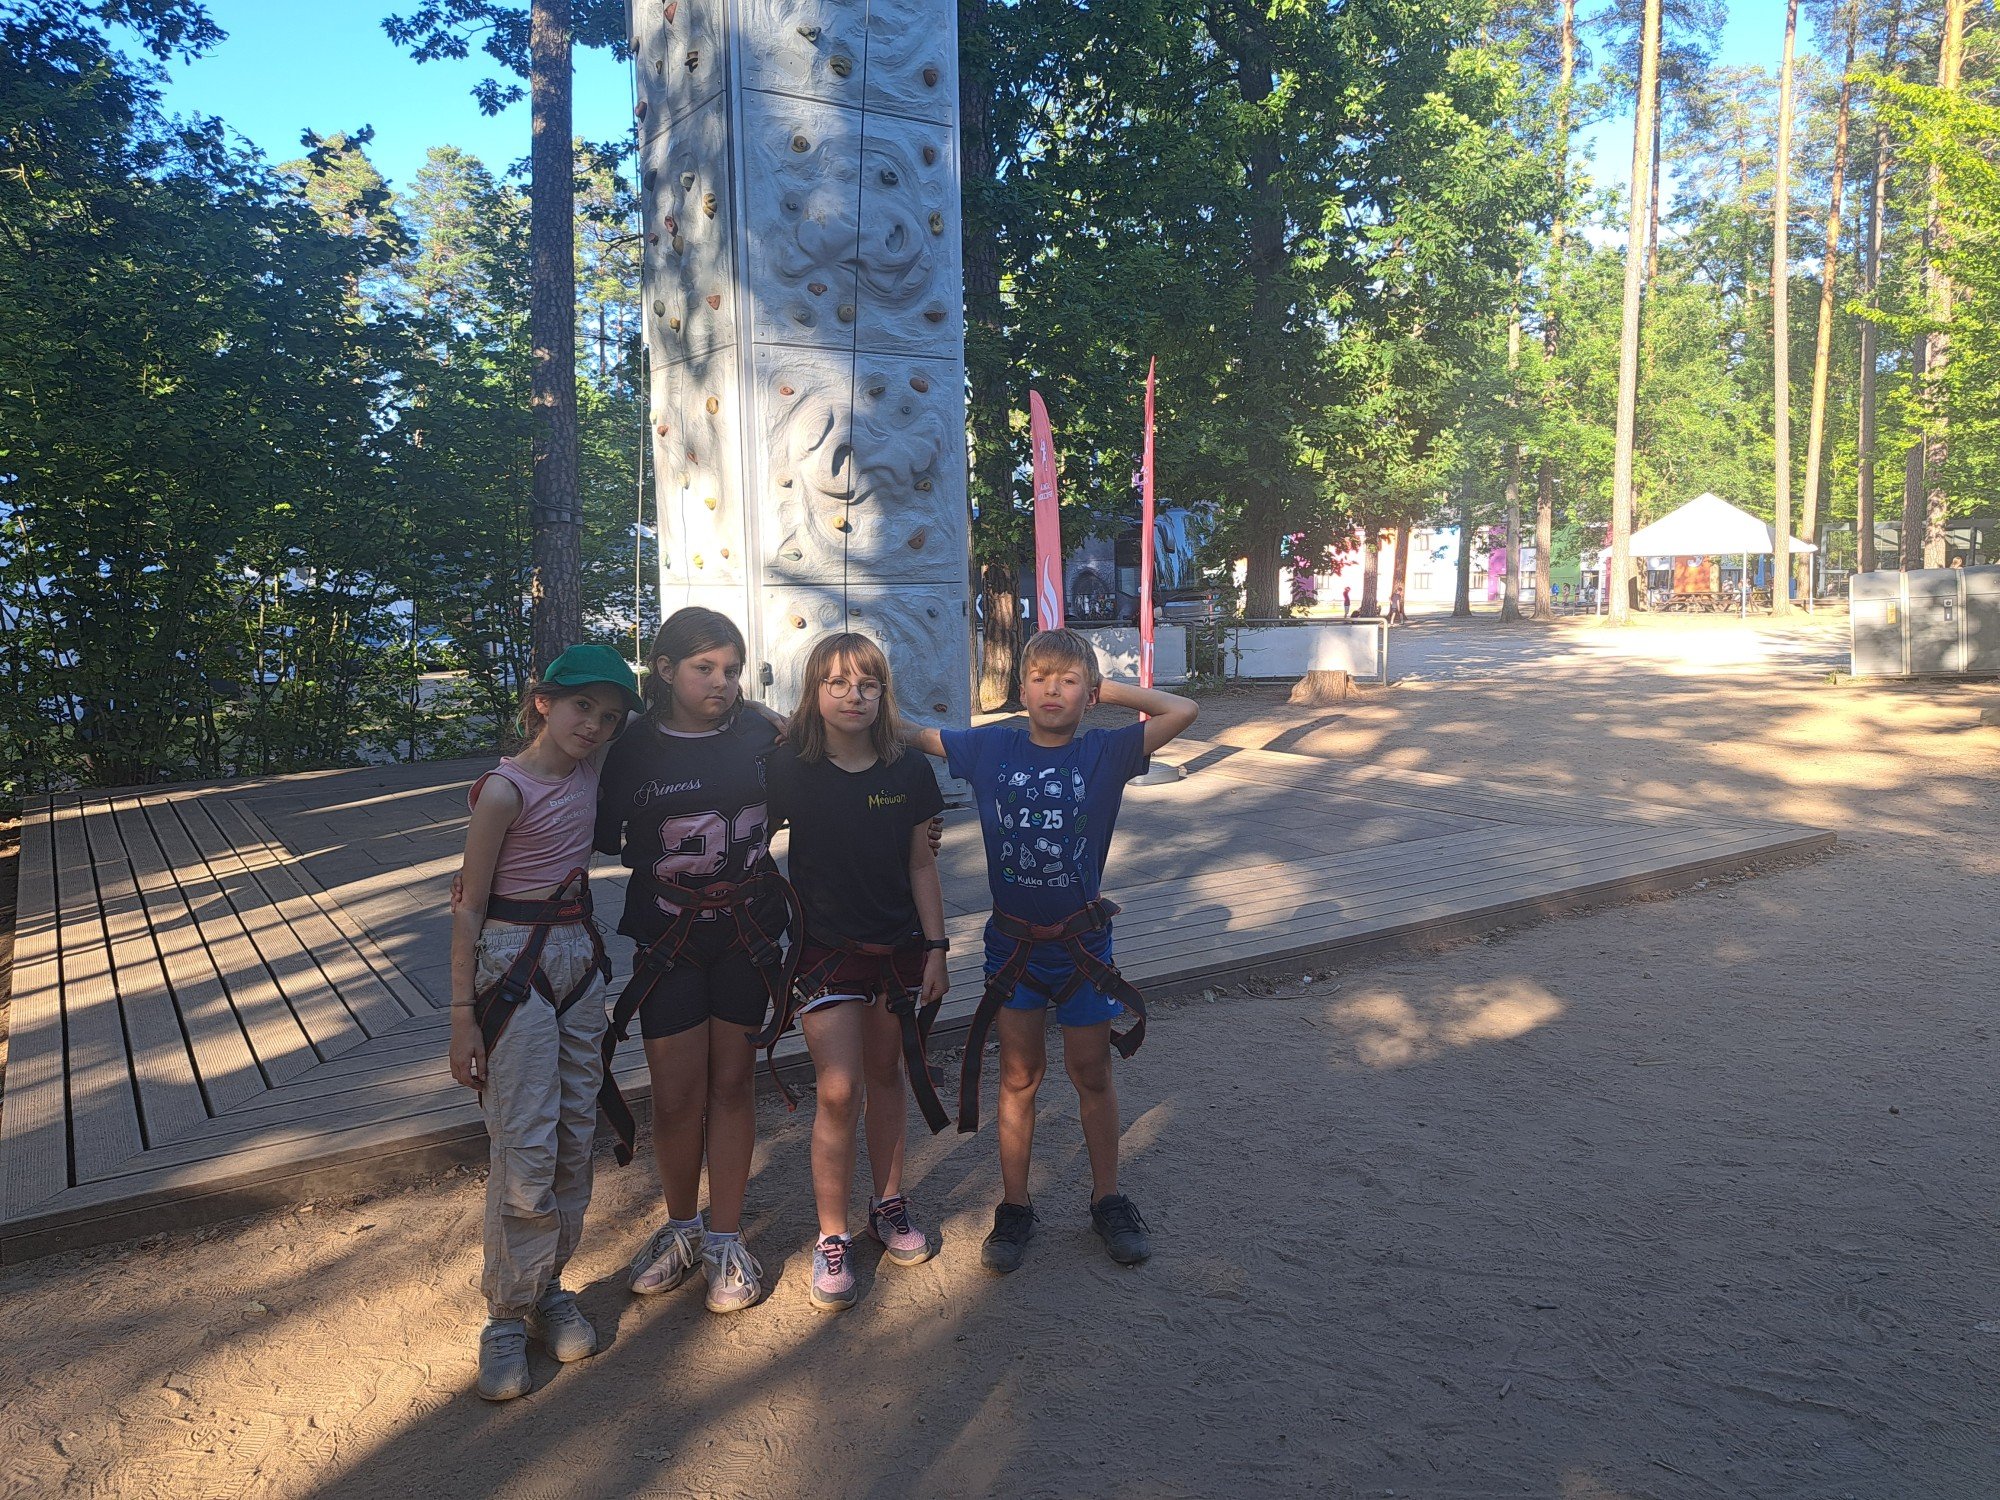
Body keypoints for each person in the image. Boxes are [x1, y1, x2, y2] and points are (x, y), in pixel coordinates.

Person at [912, 628, 1198, 1273]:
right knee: (1019, 1077)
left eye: (1068, 681)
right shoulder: (991, 748)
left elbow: (1183, 709)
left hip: (1082, 948)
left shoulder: (1106, 752)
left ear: (1088, 694)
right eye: (1040, 677)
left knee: (1091, 1073)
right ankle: (1015, 1206)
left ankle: (1107, 1199)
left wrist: (1103, 688)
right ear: (1020, 690)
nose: (1053, 690)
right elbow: (912, 734)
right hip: (1014, 950)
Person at [449, 644, 644, 1402]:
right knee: (524, 1140)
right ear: (543, 702)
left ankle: (547, 1287)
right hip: (512, 964)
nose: (592, 725)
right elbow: (468, 902)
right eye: (580, 707)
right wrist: (462, 1018)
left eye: (608, 716)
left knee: (572, 1134)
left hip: (577, 960)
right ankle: (505, 1315)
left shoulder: (593, 770)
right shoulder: (505, 792)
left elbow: (675, 717)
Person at [595, 607, 793, 1315]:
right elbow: (580, 820)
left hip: (745, 935)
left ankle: (725, 1239)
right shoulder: (631, 748)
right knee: (676, 1096)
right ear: (664, 669)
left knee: (733, 1086)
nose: (721, 681)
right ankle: (681, 1228)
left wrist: (915, 832)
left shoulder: (762, 736)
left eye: (732, 670)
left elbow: (827, 780)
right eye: (704, 667)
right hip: (669, 943)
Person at [767, 632, 950, 1310]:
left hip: (898, 948)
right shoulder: (789, 768)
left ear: (884, 693)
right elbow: (747, 837)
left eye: (867, 684)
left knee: (887, 1075)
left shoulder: (909, 771)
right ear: (814, 693)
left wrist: (937, 948)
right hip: (824, 952)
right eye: (837, 683)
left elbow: (922, 863)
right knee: (839, 1091)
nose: (854, 695)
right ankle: (831, 1235)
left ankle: (888, 1203)